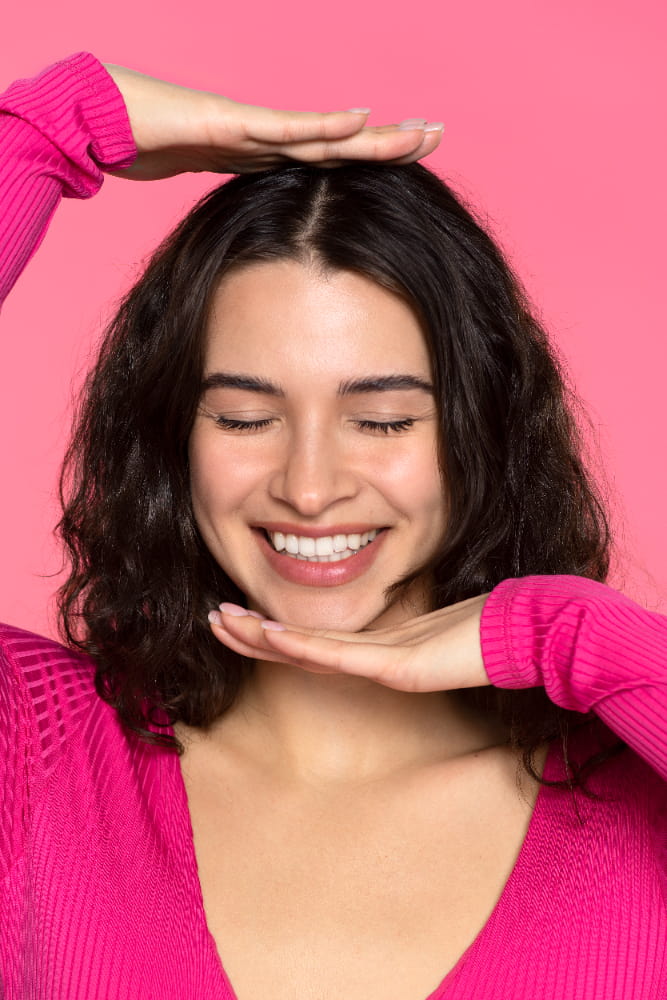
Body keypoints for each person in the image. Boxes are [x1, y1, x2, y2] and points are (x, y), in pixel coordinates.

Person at [0, 52, 664, 1000]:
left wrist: (572, 637)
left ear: (482, 424)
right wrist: (51, 130)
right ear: (170, 434)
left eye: (384, 420)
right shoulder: (38, 751)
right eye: (243, 418)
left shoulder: (636, 791)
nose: (309, 489)